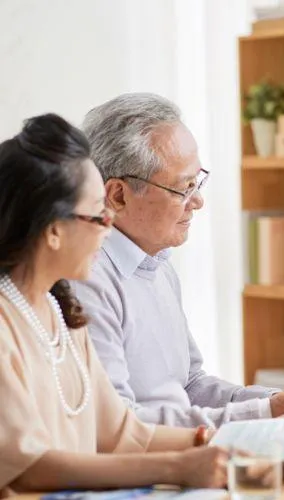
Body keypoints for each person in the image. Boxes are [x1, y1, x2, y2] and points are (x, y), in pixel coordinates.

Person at [0, 113, 252, 496]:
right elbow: (28, 467)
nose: (109, 225)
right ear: (52, 231)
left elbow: (122, 433)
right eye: (99, 214)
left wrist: (239, 440)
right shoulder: (6, 322)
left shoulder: (59, 313)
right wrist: (180, 465)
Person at [73, 92, 284, 429]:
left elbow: (191, 385)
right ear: (118, 195)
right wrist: (264, 413)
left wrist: (279, 400)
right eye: (183, 188)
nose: (198, 201)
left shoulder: (158, 264)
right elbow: (118, 424)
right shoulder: (86, 279)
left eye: (197, 181)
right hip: (148, 468)